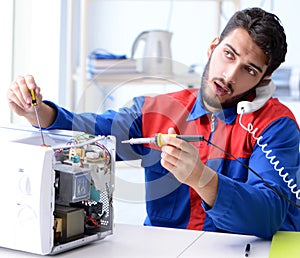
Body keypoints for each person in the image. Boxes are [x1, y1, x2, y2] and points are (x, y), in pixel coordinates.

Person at [7, 7, 300, 239]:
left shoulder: (276, 125)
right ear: (212, 47)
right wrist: (38, 112)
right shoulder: (158, 110)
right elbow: (93, 131)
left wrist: (202, 178)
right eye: (228, 54)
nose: (230, 75)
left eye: (249, 69)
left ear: (264, 80)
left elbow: (269, 215)